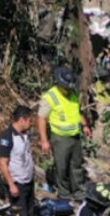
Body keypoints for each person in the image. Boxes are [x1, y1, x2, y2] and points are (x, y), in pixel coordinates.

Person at [38, 67, 91, 203]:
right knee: (62, 167)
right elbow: (41, 118)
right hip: (60, 138)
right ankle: (64, 194)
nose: (68, 89)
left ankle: (79, 192)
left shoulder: (72, 94)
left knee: (77, 166)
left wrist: (85, 126)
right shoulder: (51, 97)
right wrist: (44, 141)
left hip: (75, 136)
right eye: (65, 87)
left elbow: (77, 112)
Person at [0, 106, 40, 216]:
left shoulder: (25, 135)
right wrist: (11, 184)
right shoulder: (7, 137)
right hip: (17, 184)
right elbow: (3, 163)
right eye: (29, 120)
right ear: (21, 119)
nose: (31, 123)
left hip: (28, 181)